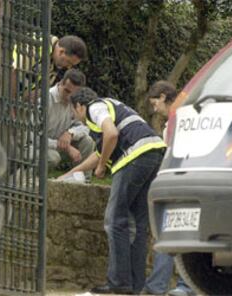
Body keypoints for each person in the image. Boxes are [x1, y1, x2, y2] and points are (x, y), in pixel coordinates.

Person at [58, 87, 166, 294]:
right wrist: (71, 173)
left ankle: (118, 283)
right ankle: (135, 285)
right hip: (153, 154)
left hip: (134, 157)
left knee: (114, 220)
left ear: (80, 105)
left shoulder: (95, 107)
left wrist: (102, 166)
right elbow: (99, 153)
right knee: (137, 223)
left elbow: (111, 134)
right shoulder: (113, 107)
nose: (76, 117)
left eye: (74, 112)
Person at [143, 81, 195, 296]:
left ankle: (163, 286)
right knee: (183, 234)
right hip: (185, 179)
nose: (155, 109)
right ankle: (181, 286)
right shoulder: (186, 116)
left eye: (156, 103)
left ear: (164, 97)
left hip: (180, 180)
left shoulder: (179, 120)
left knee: (169, 234)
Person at [47, 69, 94, 178]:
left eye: (73, 94)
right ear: (61, 83)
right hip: (42, 146)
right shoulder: (45, 99)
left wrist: (70, 133)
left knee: (88, 141)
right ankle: (32, 183)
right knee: (53, 157)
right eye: (67, 91)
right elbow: (33, 137)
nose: (69, 97)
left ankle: (83, 182)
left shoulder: (75, 101)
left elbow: (85, 126)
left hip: (62, 146)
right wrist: (66, 147)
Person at [12, 34, 88, 99]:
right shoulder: (39, 45)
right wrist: (12, 103)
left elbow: (38, 91)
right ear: (61, 52)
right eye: (69, 62)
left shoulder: (55, 61)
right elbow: (14, 72)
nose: (69, 67)